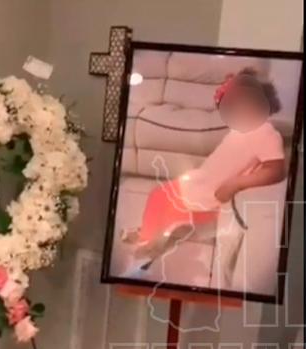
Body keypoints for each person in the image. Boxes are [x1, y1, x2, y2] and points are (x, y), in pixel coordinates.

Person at [123, 68, 287, 271]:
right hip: (201, 184)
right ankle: (149, 233)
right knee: (163, 205)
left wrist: (236, 183)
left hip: (210, 196)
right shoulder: (242, 128)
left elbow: (276, 169)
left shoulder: (267, 134)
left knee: (160, 198)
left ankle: (147, 245)